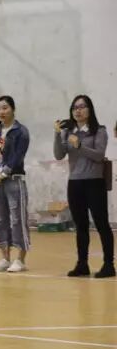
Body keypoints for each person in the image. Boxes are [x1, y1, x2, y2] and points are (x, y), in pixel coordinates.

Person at [54, 95, 114, 278]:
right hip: (75, 183)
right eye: (75, 107)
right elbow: (58, 155)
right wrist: (57, 134)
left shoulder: (99, 131)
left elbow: (99, 155)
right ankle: (82, 264)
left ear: (90, 109)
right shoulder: (68, 132)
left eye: (82, 107)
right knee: (80, 225)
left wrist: (79, 145)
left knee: (101, 223)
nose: (78, 110)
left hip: (94, 182)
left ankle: (109, 264)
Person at [0, 96, 31, 272]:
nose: (1, 112)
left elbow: (18, 156)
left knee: (18, 218)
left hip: (13, 179)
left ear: (13, 109)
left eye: (5, 108)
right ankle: (5, 257)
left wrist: (4, 173)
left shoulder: (20, 131)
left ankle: (20, 259)